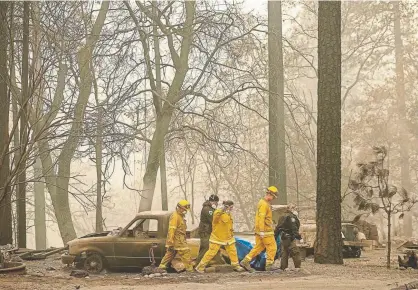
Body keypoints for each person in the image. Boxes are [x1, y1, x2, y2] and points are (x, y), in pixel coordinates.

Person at [195, 200, 245, 273]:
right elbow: (216, 216)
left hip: (228, 237)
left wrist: (231, 233)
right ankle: (200, 267)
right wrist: (223, 209)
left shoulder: (228, 214)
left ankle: (236, 265)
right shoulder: (217, 212)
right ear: (227, 206)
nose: (232, 208)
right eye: (231, 207)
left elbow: (229, 225)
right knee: (211, 253)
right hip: (217, 237)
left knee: (233, 251)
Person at [241, 186, 279, 272]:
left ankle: (245, 261)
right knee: (272, 247)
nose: (273, 199)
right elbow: (261, 218)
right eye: (273, 197)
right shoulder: (264, 204)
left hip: (261, 231)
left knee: (258, 248)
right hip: (266, 231)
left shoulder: (263, 203)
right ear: (270, 194)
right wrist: (262, 230)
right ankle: (269, 265)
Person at [158, 200, 194, 272]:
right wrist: (171, 239)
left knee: (170, 254)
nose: (185, 211)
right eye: (184, 209)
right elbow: (172, 229)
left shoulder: (180, 216)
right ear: (180, 208)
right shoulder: (175, 216)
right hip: (177, 240)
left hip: (178, 239)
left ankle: (161, 268)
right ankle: (190, 270)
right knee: (186, 253)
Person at [196, 194, 224, 265]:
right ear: (214, 202)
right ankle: (198, 264)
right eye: (216, 202)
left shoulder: (210, 209)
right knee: (205, 248)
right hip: (205, 232)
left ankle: (218, 263)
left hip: (209, 231)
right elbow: (213, 220)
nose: (217, 204)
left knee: (214, 247)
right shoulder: (207, 209)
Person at [274, 204, 302, 270]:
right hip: (290, 237)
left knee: (284, 252)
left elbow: (278, 227)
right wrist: (299, 237)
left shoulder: (281, 216)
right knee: (295, 252)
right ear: (291, 209)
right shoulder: (291, 217)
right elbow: (294, 228)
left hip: (283, 237)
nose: (295, 210)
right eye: (295, 208)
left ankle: (284, 267)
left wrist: (275, 236)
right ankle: (298, 267)